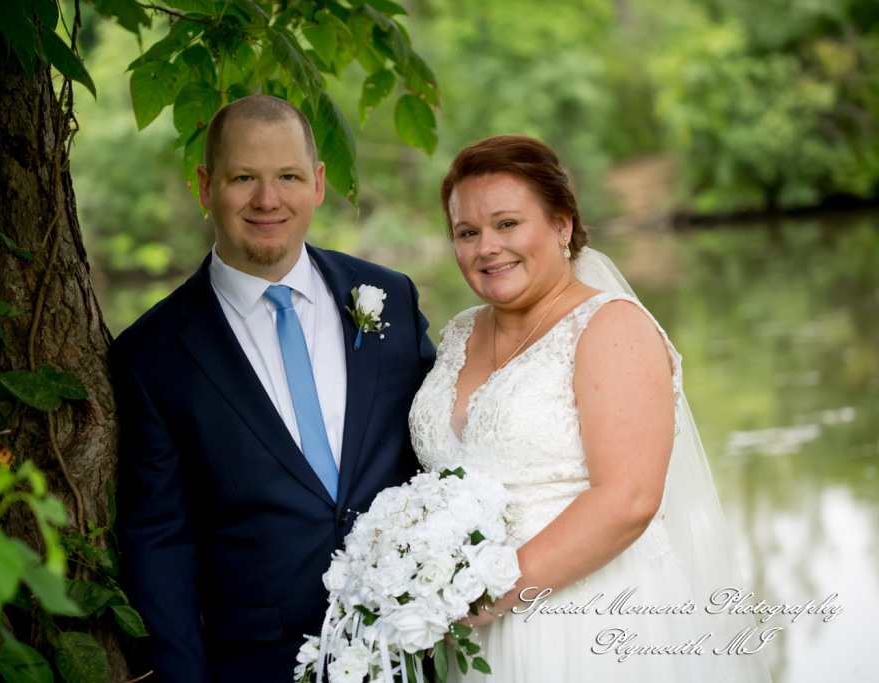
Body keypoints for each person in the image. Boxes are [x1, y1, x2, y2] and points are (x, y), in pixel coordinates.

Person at [408, 135, 773, 681]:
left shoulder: (611, 327)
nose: (486, 247)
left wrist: (479, 596)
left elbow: (628, 499)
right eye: (467, 232)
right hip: (466, 642)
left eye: (507, 224)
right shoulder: (458, 332)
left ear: (562, 225)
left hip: (585, 628)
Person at [110, 95, 436, 682]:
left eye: (287, 176)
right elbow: (160, 549)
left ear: (317, 183)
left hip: (411, 647)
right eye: (244, 178)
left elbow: (436, 456)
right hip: (258, 663)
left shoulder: (392, 297)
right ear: (205, 186)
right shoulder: (150, 355)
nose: (268, 200)